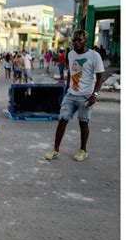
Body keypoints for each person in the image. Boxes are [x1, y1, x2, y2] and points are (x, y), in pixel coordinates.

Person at [45, 30, 105, 162]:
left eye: (79, 40)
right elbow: (70, 72)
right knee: (62, 120)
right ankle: (55, 150)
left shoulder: (94, 56)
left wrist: (94, 95)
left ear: (85, 41)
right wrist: (67, 87)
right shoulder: (71, 54)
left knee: (83, 123)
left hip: (86, 96)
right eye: (74, 41)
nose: (76, 43)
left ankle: (83, 150)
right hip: (71, 94)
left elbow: (101, 76)